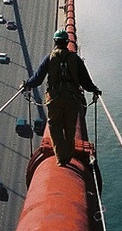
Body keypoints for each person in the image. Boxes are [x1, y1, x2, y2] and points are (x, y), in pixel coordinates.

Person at [22, 29, 101, 166]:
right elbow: (85, 81)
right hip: (72, 99)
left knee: (55, 126)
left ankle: (61, 158)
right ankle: (68, 155)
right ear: (66, 42)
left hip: (54, 99)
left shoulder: (50, 58)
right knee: (70, 129)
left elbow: (38, 78)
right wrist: (94, 90)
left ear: (55, 42)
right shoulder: (75, 59)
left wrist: (26, 84)